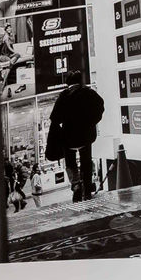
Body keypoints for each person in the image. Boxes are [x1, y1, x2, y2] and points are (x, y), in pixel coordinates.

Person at [49, 71, 105, 202]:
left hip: (69, 138)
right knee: (86, 161)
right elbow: (100, 106)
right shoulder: (89, 93)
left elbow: (55, 118)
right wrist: (91, 122)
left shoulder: (63, 96)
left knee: (70, 162)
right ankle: (87, 188)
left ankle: (76, 185)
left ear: (68, 82)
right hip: (86, 136)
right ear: (80, 81)